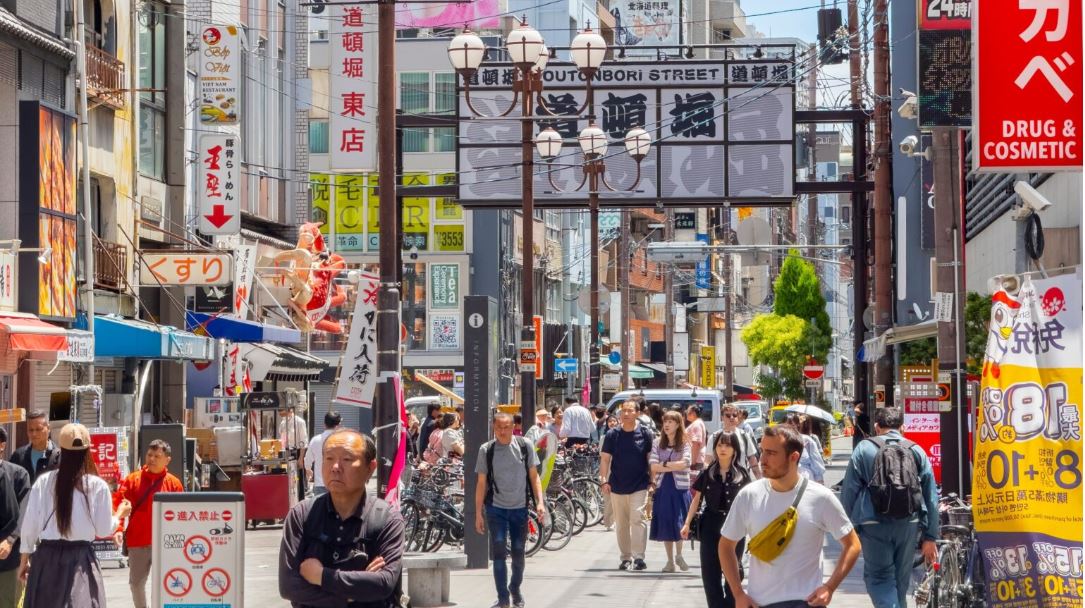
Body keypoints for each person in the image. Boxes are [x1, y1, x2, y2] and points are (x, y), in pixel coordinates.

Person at [720, 425, 862, 608]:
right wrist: (738, 593)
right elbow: (725, 545)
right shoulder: (748, 495)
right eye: (762, 451)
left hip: (806, 602)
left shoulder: (821, 497)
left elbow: (853, 545)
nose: (762, 459)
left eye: (771, 453)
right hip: (760, 603)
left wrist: (830, 587)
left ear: (794, 457)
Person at [279, 430, 405, 608]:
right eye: (328, 459)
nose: (335, 467)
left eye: (346, 459)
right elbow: (289, 586)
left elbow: (384, 583)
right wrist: (352, 596)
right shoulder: (302, 515)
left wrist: (321, 576)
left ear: (370, 468)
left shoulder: (387, 519)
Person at [19, 423, 132, 608]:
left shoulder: (44, 482)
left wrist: (25, 559)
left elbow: (30, 524)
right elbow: (103, 530)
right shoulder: (96, 486)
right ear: (88, 450)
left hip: (47, 559)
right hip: (81, 559)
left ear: (60, 449)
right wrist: (120, 514)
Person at [841, 407, 939, 608]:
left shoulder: (864, 449)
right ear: (902, 427)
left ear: (877, 427)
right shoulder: (916, 450)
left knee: (879, 578)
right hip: (908, 523)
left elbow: (849, 490)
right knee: (901, 582)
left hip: (872, 522)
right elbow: (931, 497)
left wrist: (846, 528)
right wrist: (930, 536)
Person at [474, 414, 545, 608]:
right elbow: (481, 483)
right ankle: (503, 597)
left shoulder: (525, 445)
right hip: (496, 508)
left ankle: (515, 587)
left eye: (506, 427)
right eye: (498, 427)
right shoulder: (486, 450)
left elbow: (534, 477)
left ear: (513, 426)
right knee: (498, 551)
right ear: (493, 427)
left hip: (519, 508)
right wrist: (478, 513)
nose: (502, 431)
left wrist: (540, 502)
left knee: (518, 553)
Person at [681, 431, 752, 608]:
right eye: (719, 445)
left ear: (735, 449)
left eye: (727, 445)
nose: (723, 449)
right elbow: (696, 499)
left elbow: (751, 504)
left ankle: (730, 603)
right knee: (710, 572)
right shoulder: (708, 473)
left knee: (733, 571)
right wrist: (687, 523)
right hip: (710, 524)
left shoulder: (742, 474)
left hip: (735, 526)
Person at [112, 439, 185, 608]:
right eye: (149, 455)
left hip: (167, 543)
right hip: (138, 542)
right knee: (136, 584)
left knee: (167, 583)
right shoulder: (132, 480)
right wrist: (118, 529)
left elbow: (183, 513)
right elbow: (120, 506)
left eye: (157, 456)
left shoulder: (174, 483)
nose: (151, 459)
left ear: (167, 460)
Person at [599, 400, 653, 571]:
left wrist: (653, 482)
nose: (626, 414)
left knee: (638, 519)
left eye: (630, 410)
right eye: (624, 411)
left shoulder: (645, 433)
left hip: (640, 484)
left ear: (637, 413)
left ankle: (639, 557)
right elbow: (605, 459)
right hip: (617, 484)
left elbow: (650, 460)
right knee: (621, 523)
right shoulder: (612, 435)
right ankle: (625, 557)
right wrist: (603, 480)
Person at [648, 410, 692, 573]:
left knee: (678, 521)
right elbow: (653, 466)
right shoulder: (657, 442)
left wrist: (664, 465)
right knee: (666, 521)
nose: (666, 425)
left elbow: (686, 463)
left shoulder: (685, 443)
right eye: (665, 421)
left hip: (680, 488)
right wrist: (672, 465)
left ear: (678, 424)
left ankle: (679, 555)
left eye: (671, 422)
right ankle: (669, 561)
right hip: (663, 487)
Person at [0, 428, 29, 608]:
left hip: (8, 558)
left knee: (8, 603)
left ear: (2, 445)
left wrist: (9, 540)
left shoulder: (18, 474)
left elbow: (25, 512)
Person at [707, 404, 761, 478]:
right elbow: (708, 461)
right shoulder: (714, 437)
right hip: (719, 481)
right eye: (728, 415)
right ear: (722, 417)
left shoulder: (744, 436)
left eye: (734, 415)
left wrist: (759, 479)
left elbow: (752, 460)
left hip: (741, 481)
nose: (731, 418)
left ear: (738, 417)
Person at [10, 411, 59, 485]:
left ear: (48, 428)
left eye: (38, 429)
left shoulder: (59, 457)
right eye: (31, 430)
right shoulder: (18, 456)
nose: (34, 434)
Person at [304, 411, 342, 495]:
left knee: (321, 507)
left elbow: (307, 459)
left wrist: (308, 469)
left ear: (324, 424)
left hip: (320, 483)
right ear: (338, 426)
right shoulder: (343, 441)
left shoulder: (316, 440)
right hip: (339, 482)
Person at [785, 414, 826, 484]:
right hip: (785, 481)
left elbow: (816, 461)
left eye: (792, 425)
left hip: (805, 480)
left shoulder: (807, 440)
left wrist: (819, 480)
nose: (788, 428)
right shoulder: (777, 442)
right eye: (785, 425)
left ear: (797, 425)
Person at [280, 406, 310, 500]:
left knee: (297, 478)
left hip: (297, 452)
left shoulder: (299, 422)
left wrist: (301, 458)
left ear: (290, 410)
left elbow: (303, 441)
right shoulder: (283, 422)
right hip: (286, 452)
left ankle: (300, 499)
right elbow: (282, 439)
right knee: (287, 477)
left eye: (282, 410)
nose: (280, 413)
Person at [685, 404, 707, 473]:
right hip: (697, 458)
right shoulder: (698, 423)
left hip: (696, 460)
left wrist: (693, 462)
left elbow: (696, 444)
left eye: (688, 412)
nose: (686, 414)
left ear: (693, 413)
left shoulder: (696, 424)